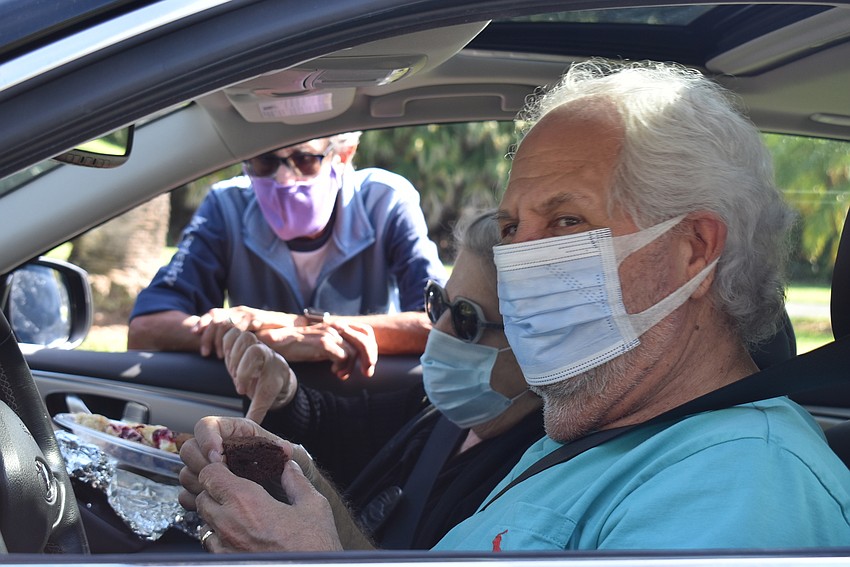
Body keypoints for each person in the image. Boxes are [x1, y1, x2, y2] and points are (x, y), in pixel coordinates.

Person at [182, 59, 850, 551]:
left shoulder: (746, 487)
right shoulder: (593, 432)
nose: (519, 261)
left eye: (565, 221)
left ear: (693, 251)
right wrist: (312, 503)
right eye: (511, 227)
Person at [178, 211, 545, 550]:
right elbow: (344, 434)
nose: (439, 329)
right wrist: (284, 392)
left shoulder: (530, 486)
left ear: (536, 342)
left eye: (466, 319)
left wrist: (310, 554)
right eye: (439, 303)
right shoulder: (438, 410)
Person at [128, 133, 447, 379]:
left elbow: (441, 324)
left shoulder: (386, 201)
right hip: (261, 404)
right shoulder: (226, 207)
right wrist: (266, 342)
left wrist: (293, 324)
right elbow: (146, 329)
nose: (283, 178)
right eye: (265, 162)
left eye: (304, 159)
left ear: (343, 155)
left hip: (365, 392)